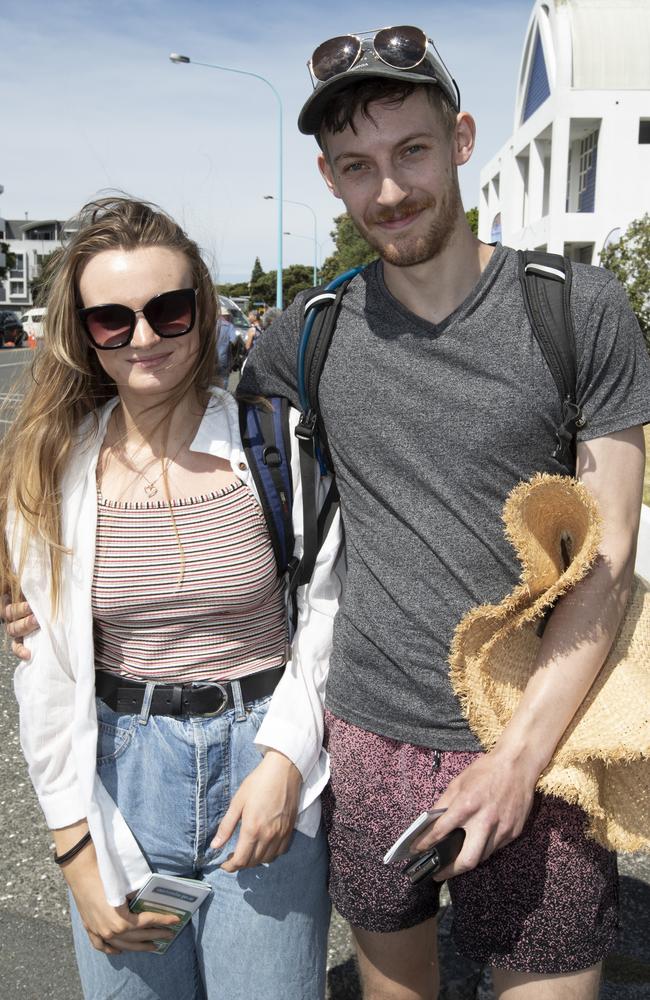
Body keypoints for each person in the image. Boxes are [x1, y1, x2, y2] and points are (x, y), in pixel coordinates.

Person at [231, 26, 650, 1000]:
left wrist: (514, 762)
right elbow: (176, 452)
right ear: (329, 179)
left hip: (540, 744)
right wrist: (43, 568)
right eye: (355, 166)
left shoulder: (575, 308)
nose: (387, 190)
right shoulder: (306, 335)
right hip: (369, 736)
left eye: (409, 150)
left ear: (459, 139)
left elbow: (611, 550)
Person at [0, 197, 342, 999]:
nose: (145, 338)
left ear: (204, 310)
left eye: (169, 309)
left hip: (263, 768)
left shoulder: (276, 446)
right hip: (122, 777)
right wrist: (75, 852)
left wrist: (286, 759)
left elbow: (329, 608)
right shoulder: (49, 468)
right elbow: (42, 674)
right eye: (112, 320)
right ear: (83, 333)